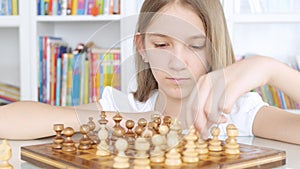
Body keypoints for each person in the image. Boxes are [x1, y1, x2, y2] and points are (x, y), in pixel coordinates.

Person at [0, 0, 300, 145]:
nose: (177, 62)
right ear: (141, 47)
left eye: (195, 46)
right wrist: (137, 121)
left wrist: (272, 70)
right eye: (161, 44)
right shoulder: (123, 108)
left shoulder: (239, 113)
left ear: (214, 47)